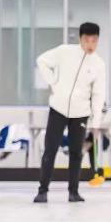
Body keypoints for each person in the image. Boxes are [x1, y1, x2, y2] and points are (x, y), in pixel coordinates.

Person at [33, 22, 107, 203]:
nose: (90, 45)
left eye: (94, 41)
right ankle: (42, 191)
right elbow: (41, 60)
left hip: (80, 113)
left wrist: (96, 122)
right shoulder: (64, 52)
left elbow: (98, 95)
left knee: (76, 153)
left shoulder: (98, 64)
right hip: (58, 109)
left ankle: (73, 192)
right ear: (80, 39)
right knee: (50, 150)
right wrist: (53, 82)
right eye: (87, 40)